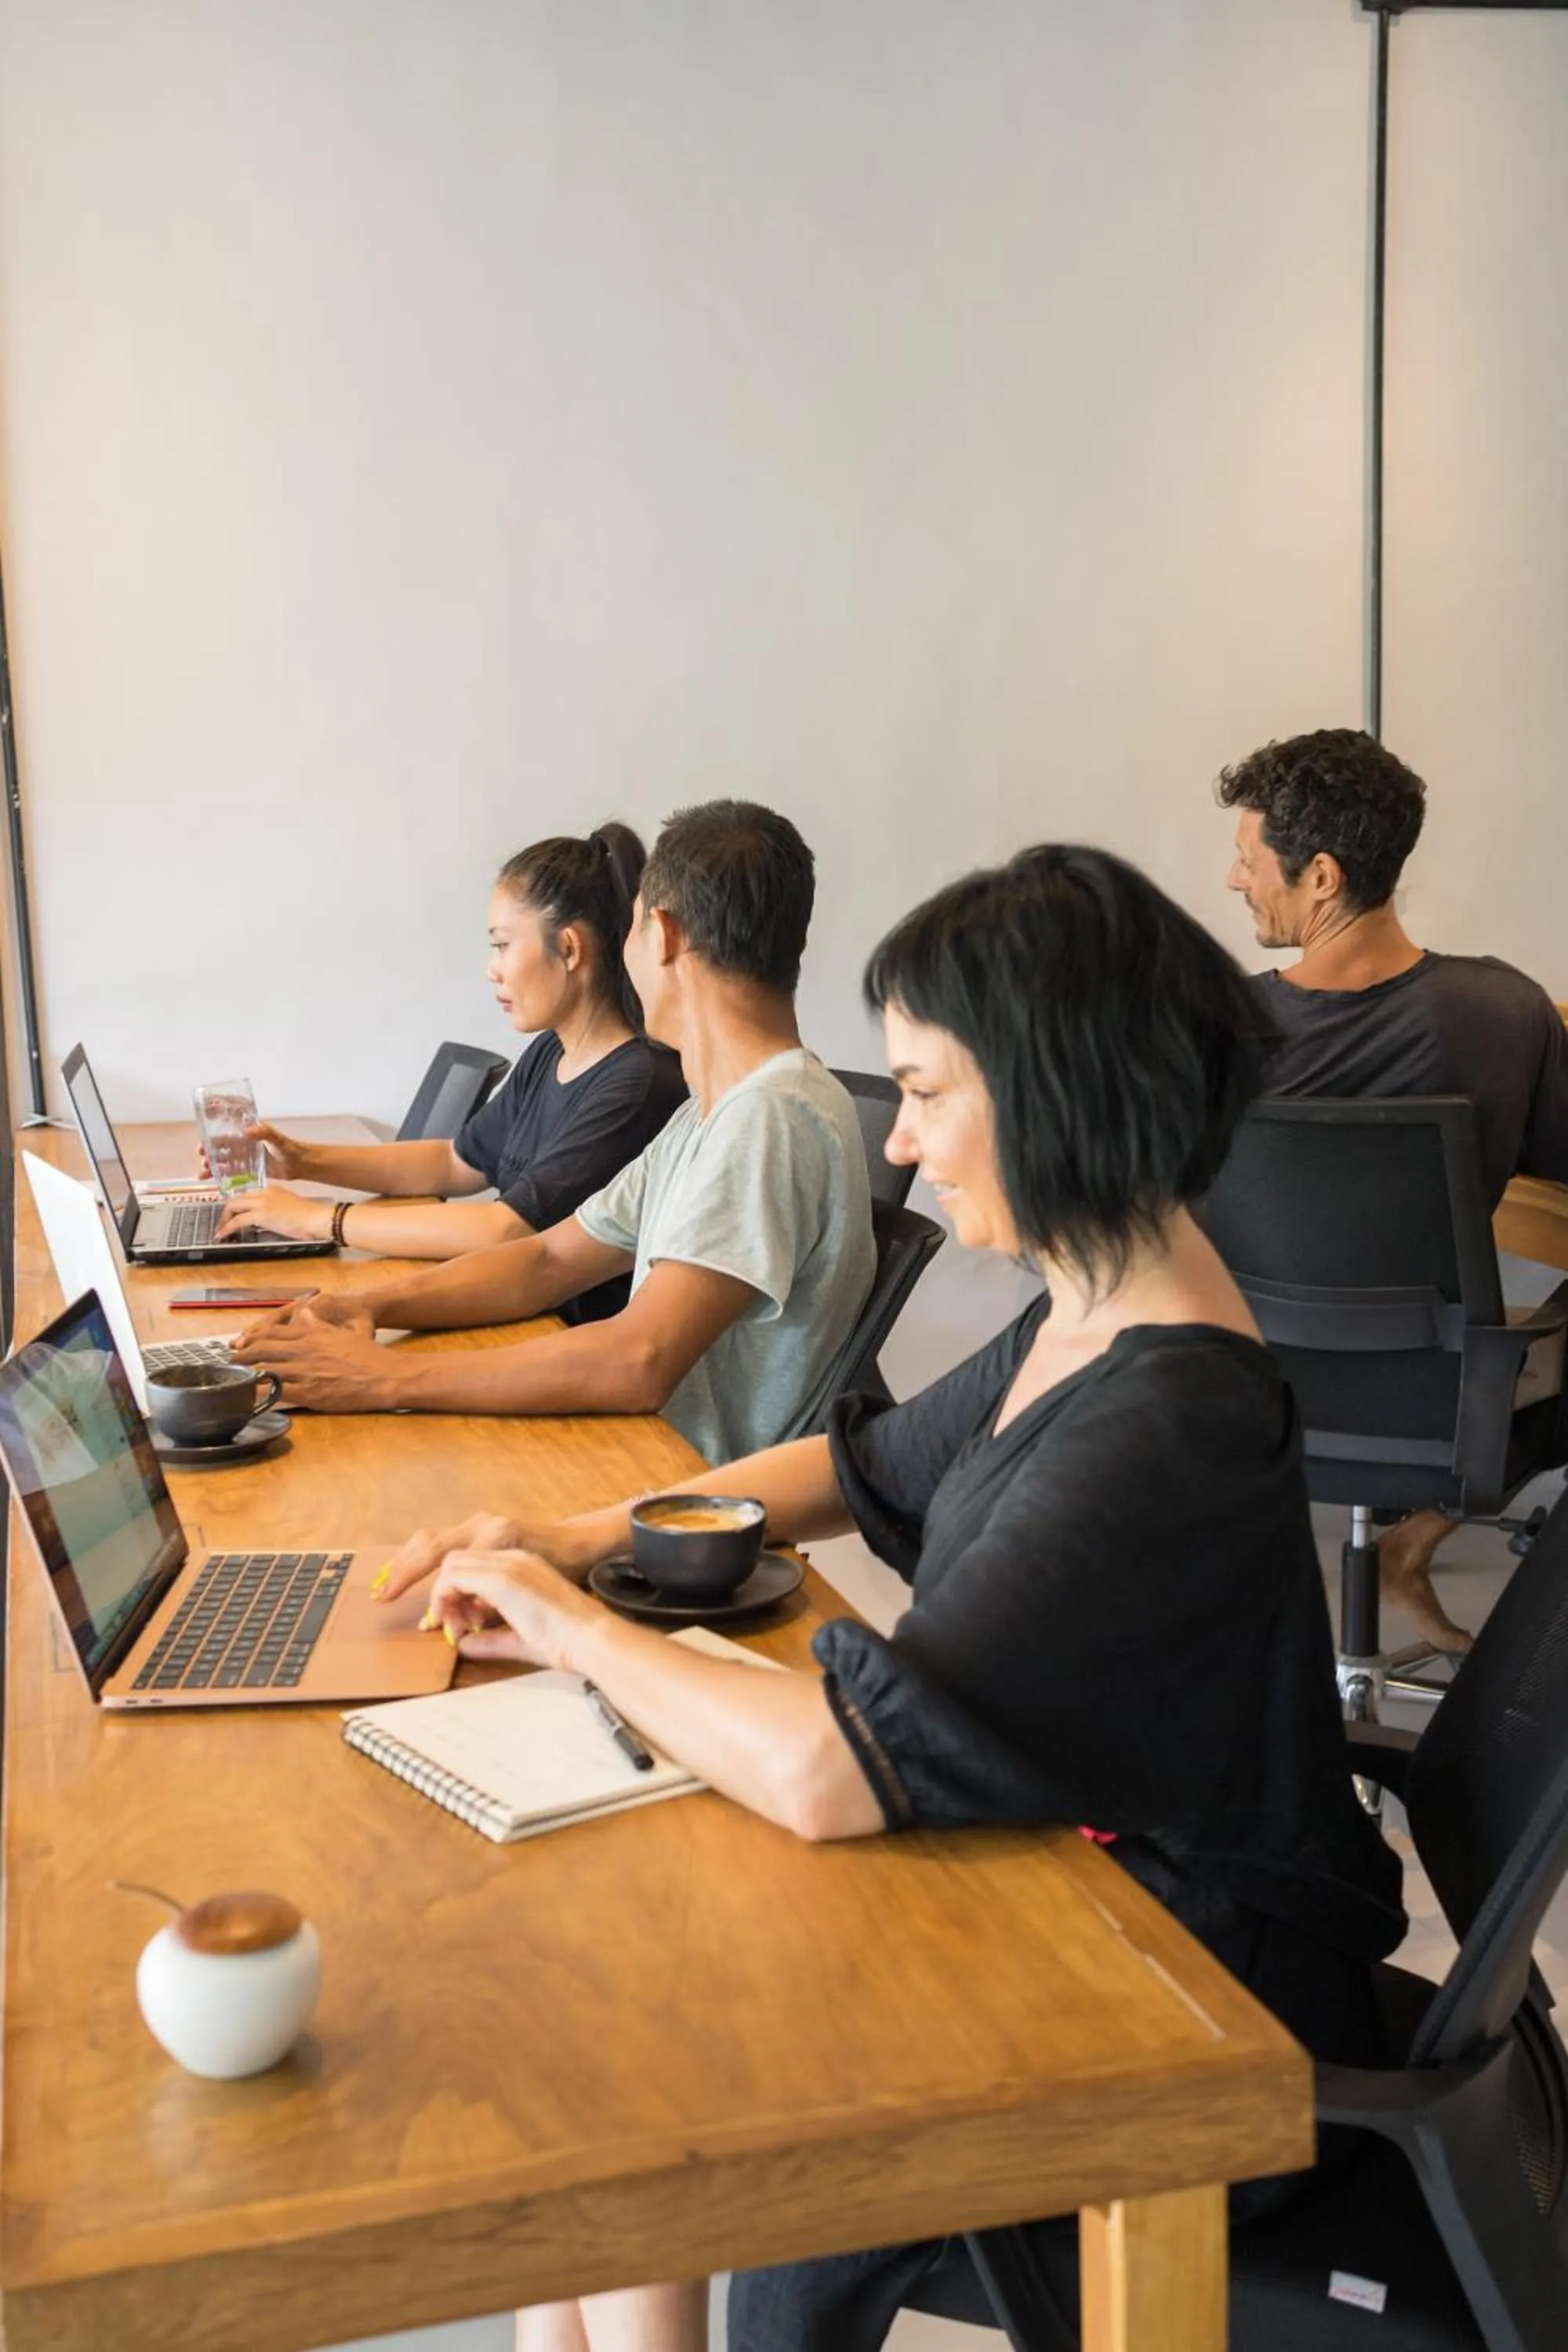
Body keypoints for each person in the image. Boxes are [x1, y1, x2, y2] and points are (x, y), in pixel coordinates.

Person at [371, 843, 1406, 2352]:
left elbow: (834, 1762)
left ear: (1051, 1091)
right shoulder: (1094, 1307)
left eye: (922, 1094)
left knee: (669, 2073)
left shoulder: (1168, 1412)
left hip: (1187, 1991)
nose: (903, 1147)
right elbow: (859, 1469)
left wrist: (570, 1620)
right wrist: (575, 1530)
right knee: (617, 2016)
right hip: (1075, 1879)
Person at [234, 801, 876, 1467]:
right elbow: (550, 1261)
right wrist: (367, 1306)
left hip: (674, 1498)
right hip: (629, 1459)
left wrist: (384, 1378)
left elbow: (638, 1358)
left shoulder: (769, 1118)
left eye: (627, 932)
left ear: (661, 934)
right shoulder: (712, 1113)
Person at [1221, 728, 1568, 1650]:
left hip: (1249, 1411)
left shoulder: (1215, 1034)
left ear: (1321, 876)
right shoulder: (1507, 1011)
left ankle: (1390, 1560)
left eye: (1247, 859)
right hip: (1447, 1418)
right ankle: (1421, 1550)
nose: (1233, 880)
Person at [213, 825, 686, 1323]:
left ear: (569, 949)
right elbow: (455, 1162)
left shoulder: (637, 1085)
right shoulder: (552, 1051)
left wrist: (317, 1219)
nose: (492, 969)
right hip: (521, 1321)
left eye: (503, 945)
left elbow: (506, 1230)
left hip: (558, 1341)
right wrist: (302, 1160)